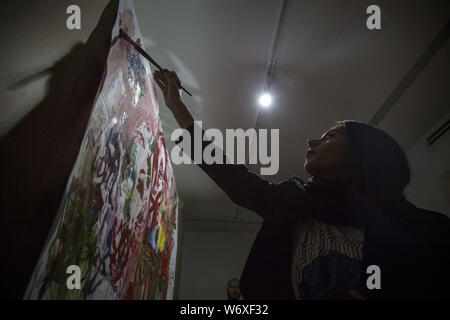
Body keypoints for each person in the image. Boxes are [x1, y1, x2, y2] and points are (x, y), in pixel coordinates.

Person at [153, 69, 450, 300]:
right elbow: (231, 176)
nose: (312, 141)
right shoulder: (291, 198)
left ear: (363, 155)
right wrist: (176, 105)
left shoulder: (426, 233)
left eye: (331, 136)